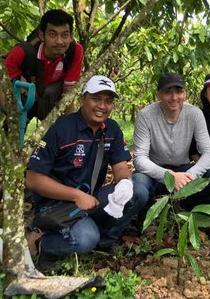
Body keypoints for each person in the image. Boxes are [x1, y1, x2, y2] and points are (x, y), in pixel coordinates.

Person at [26, 75, 148, 272]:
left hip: (90, 198)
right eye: (96, 98)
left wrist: (125, 182)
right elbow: (32, 178)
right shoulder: (61, 129)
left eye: (108, 101)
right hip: (57, 203)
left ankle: (105, 242)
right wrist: (76, 195)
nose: (102, 106)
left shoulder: (112, 129)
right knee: (85, 238)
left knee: (138, 192)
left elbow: (120, 165)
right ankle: (45, 245)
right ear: (83, 98)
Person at [132, 73, 210, 211]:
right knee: (138, 182)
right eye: (168, 92)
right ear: (159, 95)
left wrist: (190, 176)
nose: (174, 97)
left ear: (184, 93)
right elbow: (139, 158)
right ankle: (147, 218)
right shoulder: (145, 116)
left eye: (179, 91)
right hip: (154, 173)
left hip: (183, 170)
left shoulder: (194, 114)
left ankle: (187, 208)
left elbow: (208, 154)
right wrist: (170, 176)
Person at [0, 9, 84, 120]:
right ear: (42, 36)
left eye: (65, 35)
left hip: (48, 97)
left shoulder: (75, 51)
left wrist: (70, 126)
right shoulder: (22, 52)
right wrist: (13, 116)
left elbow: (68, 93)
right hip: (23, 98)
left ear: (71, 36)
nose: (59, 41)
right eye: (53, 34)